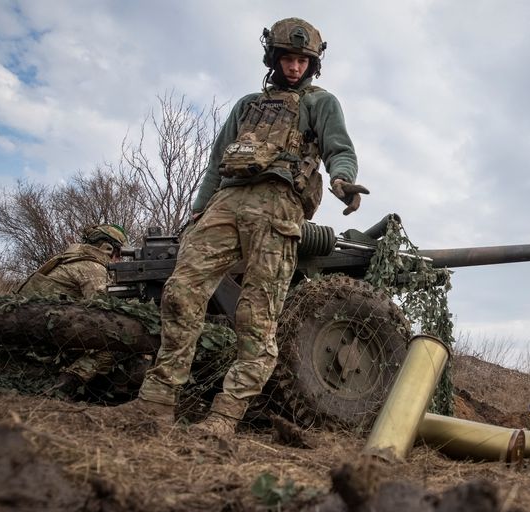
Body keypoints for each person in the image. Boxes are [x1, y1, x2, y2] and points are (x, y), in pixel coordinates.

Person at [122, 17, 369, 433]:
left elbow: (338, 149)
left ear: (312, 64)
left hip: (278, 207)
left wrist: (343, 181)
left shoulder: (321, 103)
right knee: (181, 292)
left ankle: (224, 415)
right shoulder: (247, 105)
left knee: (257, 316)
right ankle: (155, 403)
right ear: (274, 59)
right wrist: (199, 210)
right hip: (227, 201)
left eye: (302, 60)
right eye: (287, 59)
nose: (294, 67)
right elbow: (217, 160)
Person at [18, 224, 129, 392]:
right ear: (107, 248)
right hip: (40, 337)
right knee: (117, 342)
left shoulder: (72, 260)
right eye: (120, 254)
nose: (119, 259)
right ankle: (63, 388)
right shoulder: (92, 267)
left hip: (34, 330)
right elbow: (106, 314)